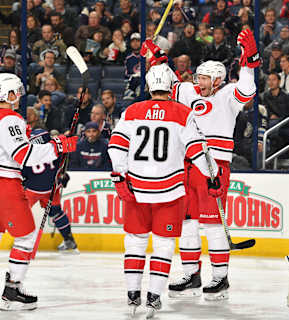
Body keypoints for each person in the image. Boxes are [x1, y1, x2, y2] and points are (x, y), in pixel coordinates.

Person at [143, 28, 258, 300]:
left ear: (217, 80)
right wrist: (156, 57)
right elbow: (165, 83)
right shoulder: (187, 90)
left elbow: (248, 88)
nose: (201, 81)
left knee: (213, 225)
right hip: (186, 165)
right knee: (187, 223)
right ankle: (191, 274)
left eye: (206, 78)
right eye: (199, 77)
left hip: (214, 165)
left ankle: (220, 277)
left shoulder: (228, 95)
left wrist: (250, 59)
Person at [107, 63, 224, 318]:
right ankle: (154, 297)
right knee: (163, 245)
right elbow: (197, 151)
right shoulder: (183, 113)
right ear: (172, 86)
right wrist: (213, 176)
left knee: (135, 242)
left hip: (137, 189)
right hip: (169, 192)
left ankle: (132, 294)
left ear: (148, 86)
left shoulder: (131, 111)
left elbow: (116, 146)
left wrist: (120, 174)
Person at [0, 73, 77, 310]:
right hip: (3, 183)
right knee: (26, 237)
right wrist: (58, 145)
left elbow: (3, 146)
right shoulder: (10, 119)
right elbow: (24, 156)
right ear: (9, 94)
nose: (19, 96)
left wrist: (30, 139)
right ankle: (12, 291)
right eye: (16, 91)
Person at [22, 126, 79, 253]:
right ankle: (69, 240)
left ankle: (24, 243)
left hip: (32, 189)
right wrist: (63, 175)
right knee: (57, 213)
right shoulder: (54, 150)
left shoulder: (30, 152)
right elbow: (61, 163)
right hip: (52, 188)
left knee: (22, 214)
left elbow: (24, 172)